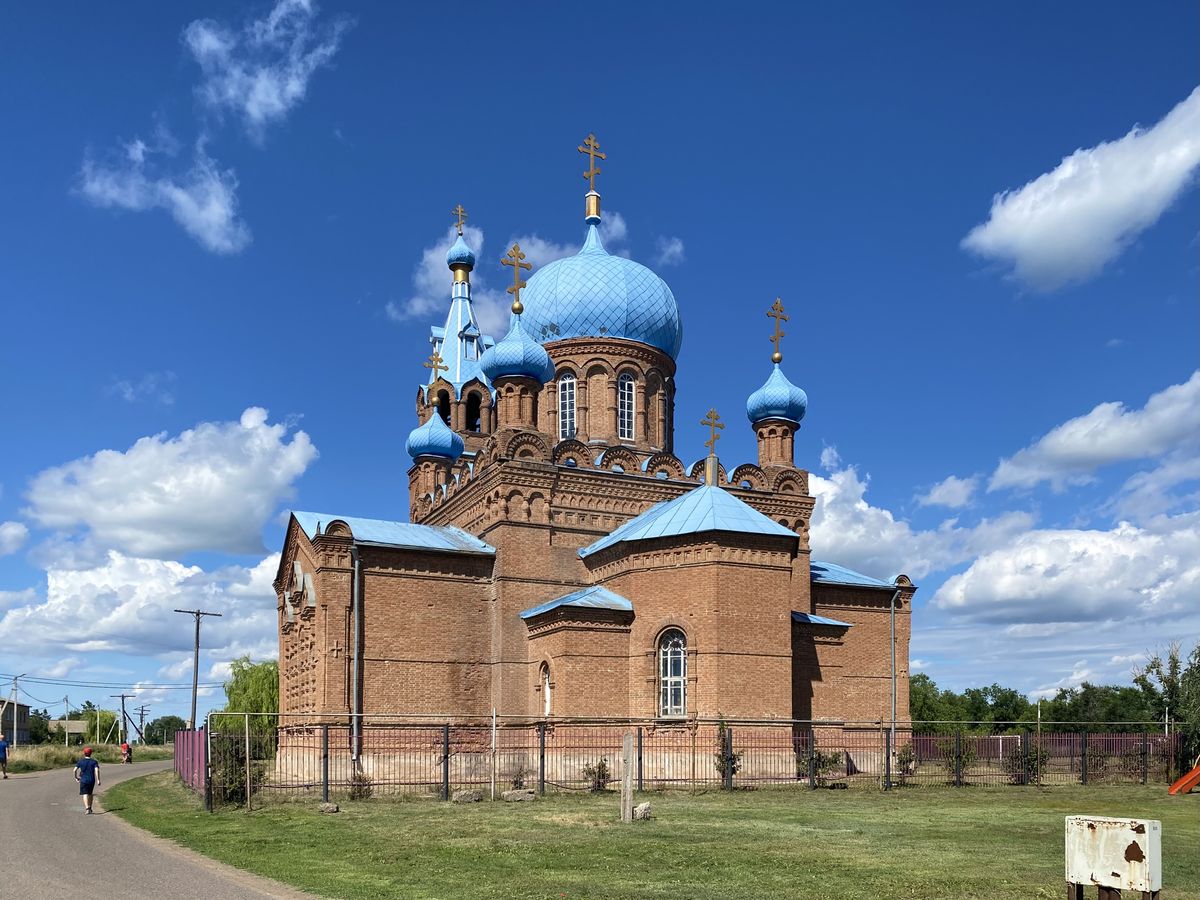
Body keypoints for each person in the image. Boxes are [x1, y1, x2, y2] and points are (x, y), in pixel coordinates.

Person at [74, 747, 100, 814]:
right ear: (91, 753)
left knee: (85, 794)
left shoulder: (81, 761)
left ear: (84, 753)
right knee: (90, 793)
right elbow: (97, 770)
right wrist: (98, 780)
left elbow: (74, 770)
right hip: (91, 780)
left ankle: (87, 808)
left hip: (83, 780)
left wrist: (76, 777)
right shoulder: (94, 762)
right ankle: (90, 807)